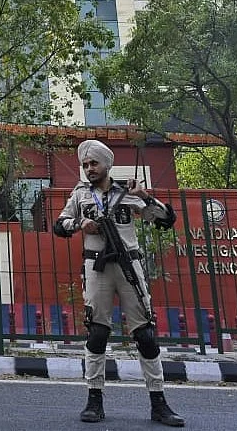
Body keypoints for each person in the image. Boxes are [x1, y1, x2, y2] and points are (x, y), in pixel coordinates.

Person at [53, 139, 185, 427]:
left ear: (107, 165)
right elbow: (59, 225)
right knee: (97, 333)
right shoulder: (80, 194)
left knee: (145, 334)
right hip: (96, 267)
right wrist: (80, 224)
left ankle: (159, 402)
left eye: (94, 163)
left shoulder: (127, 192)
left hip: (129, 265)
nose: (89, 168)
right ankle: (94, 399)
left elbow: (166, 219)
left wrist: (145, 196)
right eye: (85, 165)